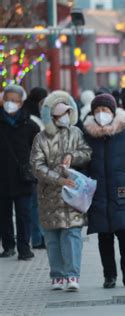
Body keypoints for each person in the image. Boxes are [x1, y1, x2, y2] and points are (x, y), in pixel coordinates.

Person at [31, 90, 91, 290]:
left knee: (72, 235)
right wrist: (58, 180)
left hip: (73, 195)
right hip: (49, 195)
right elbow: (37, 166)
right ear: (51, 116)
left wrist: (73, 157)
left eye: (67, 112)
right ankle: (57, 274)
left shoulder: (76, 133)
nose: (64, 116)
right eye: (59, 113)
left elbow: (86, 152)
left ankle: (72, 275)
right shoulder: (41, 138)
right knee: (53, 237)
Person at [83, 94, 125, 289]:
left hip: (124, 191)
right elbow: (84, 162)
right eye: (97, 111)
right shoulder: (88, 135)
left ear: (113, 112)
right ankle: (109, 275)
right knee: (104, 237)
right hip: (99, 193)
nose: (101, 114)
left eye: (105, 110)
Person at [0, 84, 40, 260]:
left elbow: (38, 150)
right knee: (3, 214)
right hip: (2, 177)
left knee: (24, 215)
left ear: (21, 102)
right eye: (7, 100)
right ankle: (8, 245)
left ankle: (24, 248)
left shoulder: (30, 125)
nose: (10, 103)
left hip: (23, 177)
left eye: (14, 101)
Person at [23, 87, 48, 249]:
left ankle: (37, 237)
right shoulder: (33, 120)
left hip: (33, 165)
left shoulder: (30, 116)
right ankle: (38, 237)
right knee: (35, 204)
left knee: (35, 204)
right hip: (34, 166)